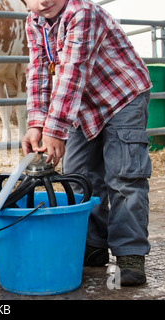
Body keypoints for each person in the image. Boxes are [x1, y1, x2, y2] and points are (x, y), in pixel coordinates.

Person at [21, 0, 152, 286]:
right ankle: (93, 244)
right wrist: (36, 123)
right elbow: (39, 72)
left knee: (123, 175)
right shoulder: (34, 22)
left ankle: (129, 253)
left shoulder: (83, 13)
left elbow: (72, 71)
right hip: (81, 106)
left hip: (121, 97)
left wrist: (54, 130)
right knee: (80, 175)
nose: (43, 0)